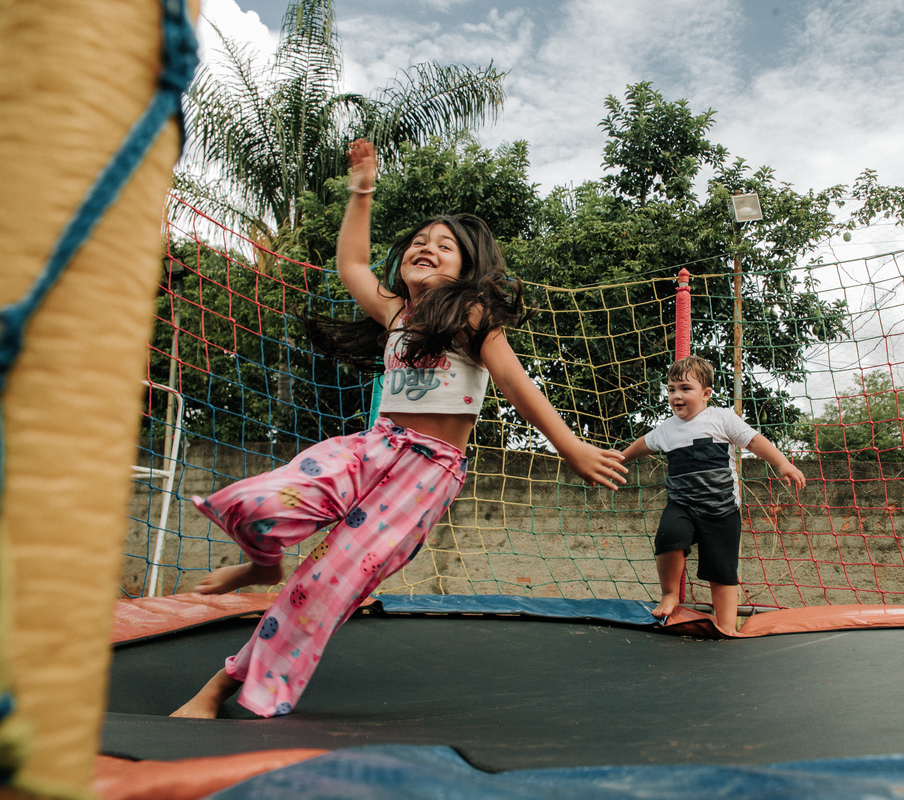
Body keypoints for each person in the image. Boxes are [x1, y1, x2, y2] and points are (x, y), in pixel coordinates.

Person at [171, 139, 628, 719]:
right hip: (372, 447)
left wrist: (570, 447)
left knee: (324, 586)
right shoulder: (395, 312)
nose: (427, 249)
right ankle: (264, 559)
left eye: (444, 246)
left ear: (467, 268)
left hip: (424, 473)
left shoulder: (471, 315)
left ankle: (221, 687)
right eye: (419, 242)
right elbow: (352, 265)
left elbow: (515, 384)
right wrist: (361, 192)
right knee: (260, 499)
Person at [621, 356, 805, 634]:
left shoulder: (721, 418)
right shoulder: (667, 429)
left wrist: (782, 463)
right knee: (668, 538)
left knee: (723, 571)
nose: (676, 396)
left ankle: (727, 625)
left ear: (706, 394)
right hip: (681, 505)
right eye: (671, 389)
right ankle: (670, 593)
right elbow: (644, 444)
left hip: (722, 509)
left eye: (685, 388)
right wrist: (620, 458)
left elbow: (754, 440)